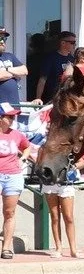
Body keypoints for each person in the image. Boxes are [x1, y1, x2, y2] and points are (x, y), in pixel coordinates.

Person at [0, 102, 32, 259]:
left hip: (13, 175)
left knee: (9, 212)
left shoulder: (17, 135)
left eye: (14, 116)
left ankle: (6, 248)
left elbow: (27, 147)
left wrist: (24, 159)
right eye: (9, 116)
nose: (13, 119)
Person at [43, 150, 84, 260]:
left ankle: (73, 249)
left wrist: (73, 166)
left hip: (66, 183)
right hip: (50, 183)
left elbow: (82, 162)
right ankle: (58, 248)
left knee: (68, 217)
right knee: (55, 217)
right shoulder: (45, 147)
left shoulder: (68, 149)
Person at [35, 31, 77, 104]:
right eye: (72, 43)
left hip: (67, 97)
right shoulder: (51, 58)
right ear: (63, 43)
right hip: (52, 98)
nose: (74, 45)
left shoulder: (72, 59)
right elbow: (42, 79)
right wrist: (38, 98)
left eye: (75, 42)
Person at [0, 27, 29, 107]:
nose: (2, 42)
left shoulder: (9, 56)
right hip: (1, 108)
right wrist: (15, 74)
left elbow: (24, 70)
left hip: (14, 106)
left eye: (4, 39)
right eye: (0, 39)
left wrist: (6, 69)